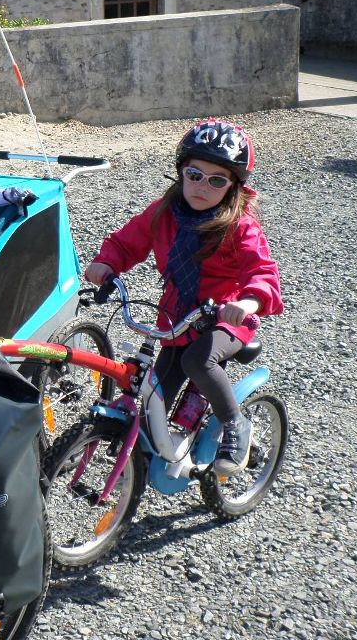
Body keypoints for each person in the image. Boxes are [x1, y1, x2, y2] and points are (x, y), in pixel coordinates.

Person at [82, 119, 283, 476]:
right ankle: (141, 462)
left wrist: (248, 302)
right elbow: (127, 241)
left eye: (217, 180)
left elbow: (261, 272)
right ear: (181, 172)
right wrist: (105, 262)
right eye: (194, 174)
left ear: (233, 186)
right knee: (153, 396)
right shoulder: (164, 213)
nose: (202, 186)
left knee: (197, 362)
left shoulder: (240, 226)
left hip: (224, 318)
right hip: (176, 317)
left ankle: (236, 425)